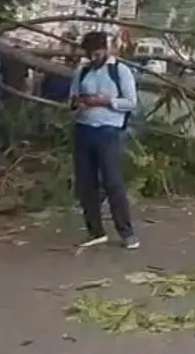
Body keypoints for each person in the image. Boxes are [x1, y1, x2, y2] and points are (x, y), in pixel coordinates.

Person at [69, 31, 139, 250]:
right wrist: (78, 102)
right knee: (85, 183)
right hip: (83, 128)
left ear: (106, 49)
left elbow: (131, 102)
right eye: (90, 54)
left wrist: (107, 101)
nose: (94, 57)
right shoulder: (82, 71)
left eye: (97, 53)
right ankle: (95, 230)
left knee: (112, 181)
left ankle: (126, 232)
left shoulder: (120, 71)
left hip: (108, 131)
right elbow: (71, 98)